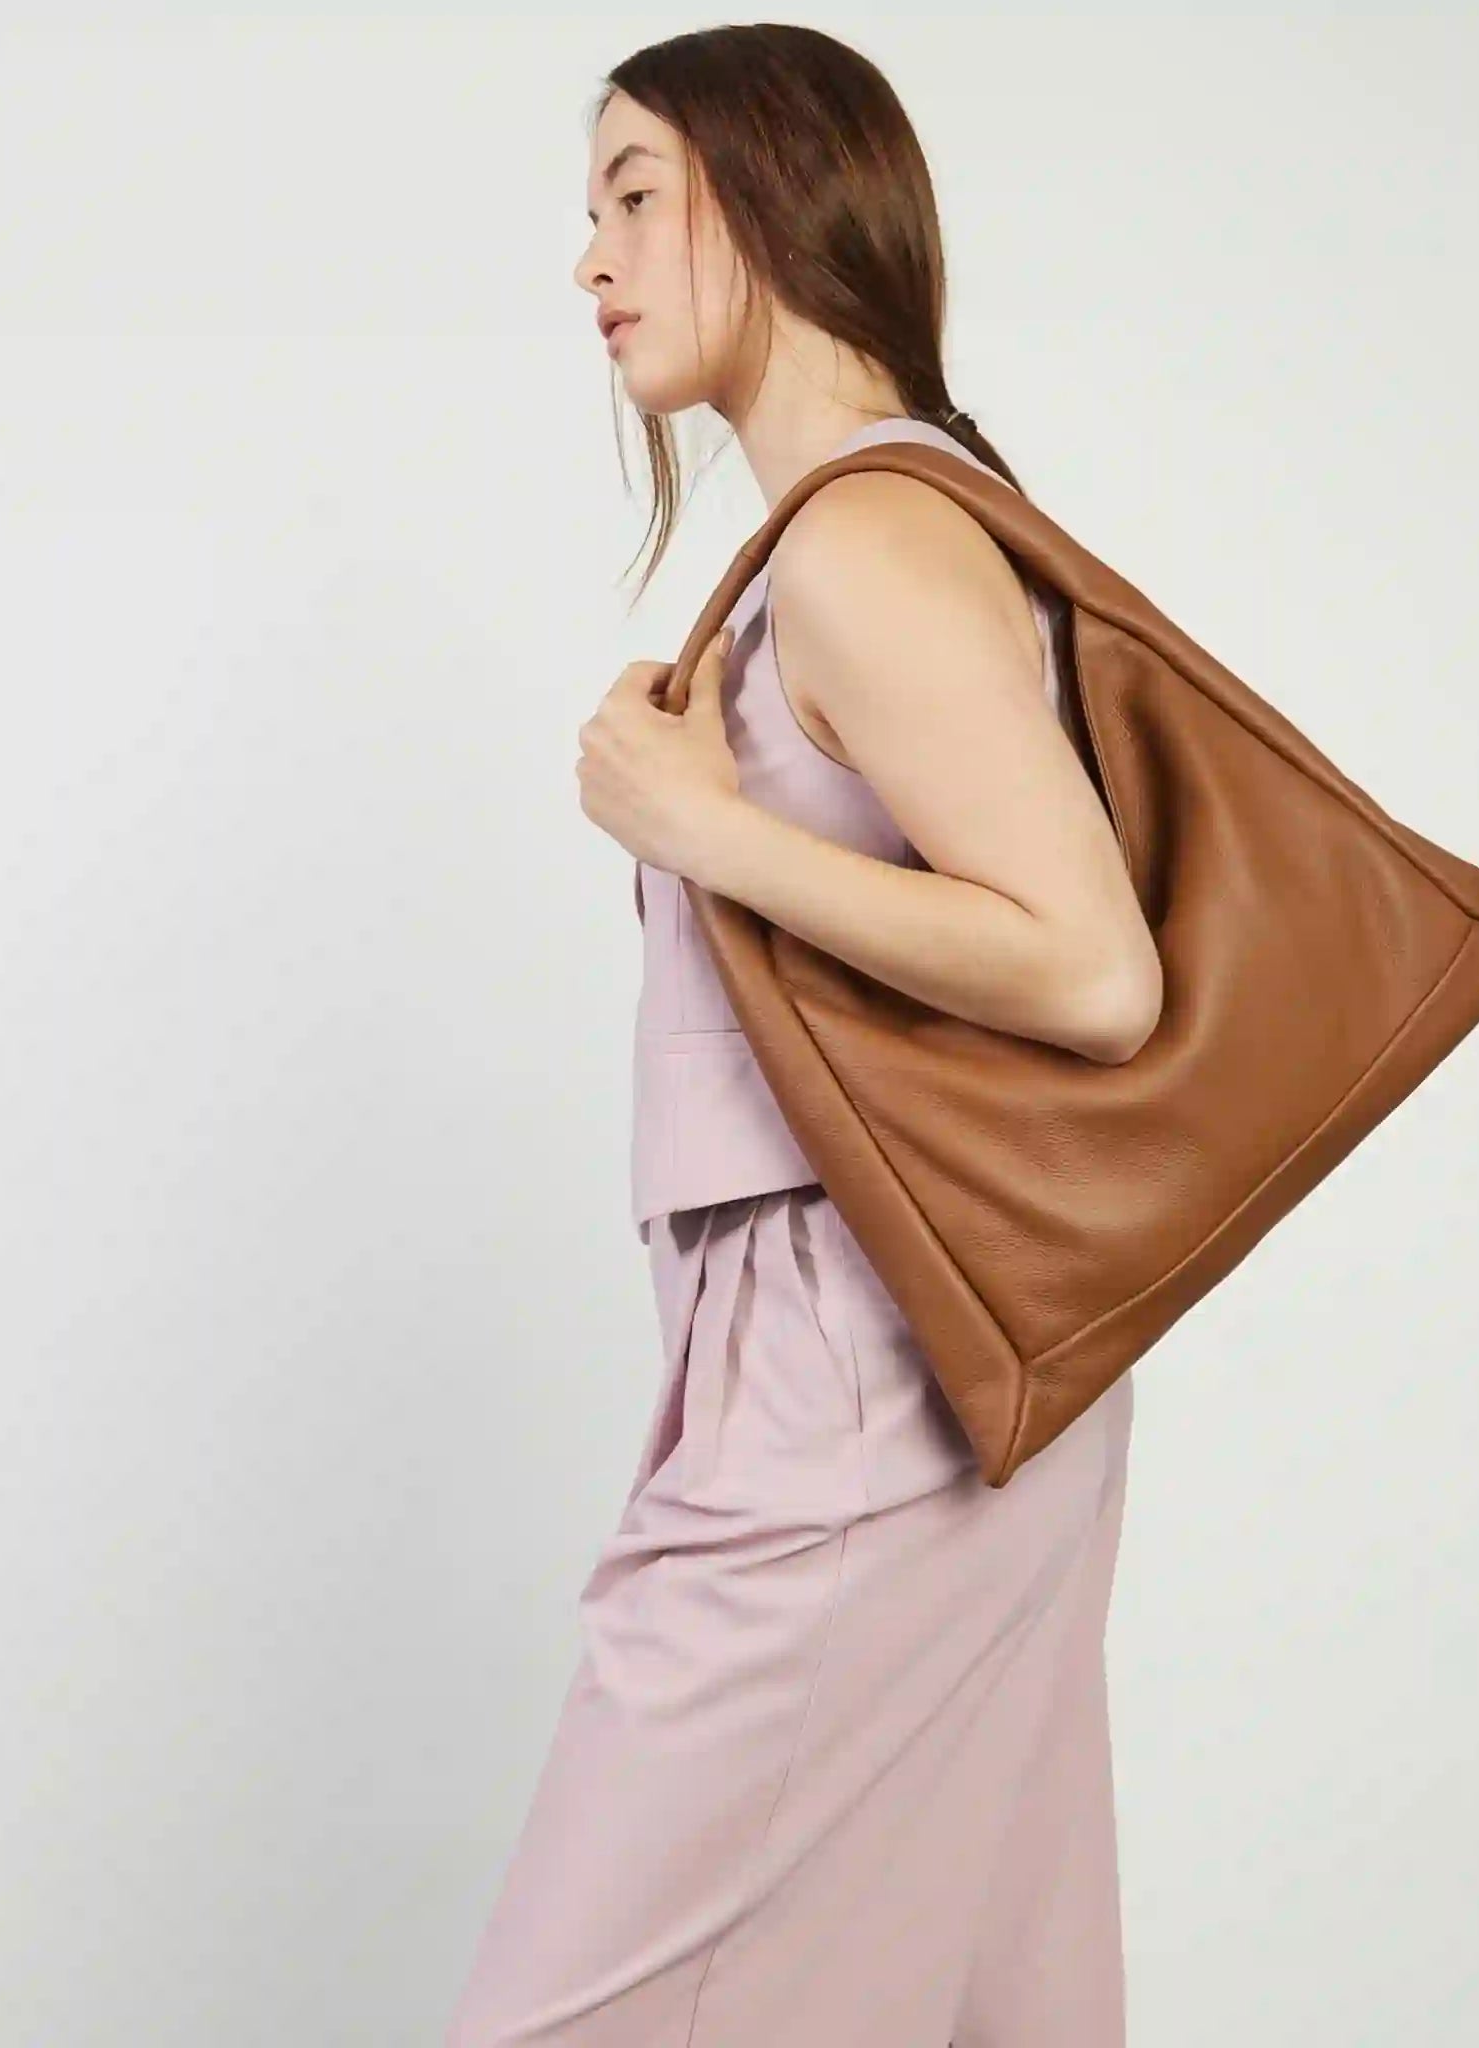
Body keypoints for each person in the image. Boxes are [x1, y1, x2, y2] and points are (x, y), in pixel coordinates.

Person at [443, 25, 1159, 2046]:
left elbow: (1093, 970)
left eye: (635, 192)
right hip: (903, 1346)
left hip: (859, 1363)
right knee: (988, 1985)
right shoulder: (866, 524)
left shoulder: (863, 535)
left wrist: (709, 831)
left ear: (771, 193)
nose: (590, 256)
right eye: (590, 207)